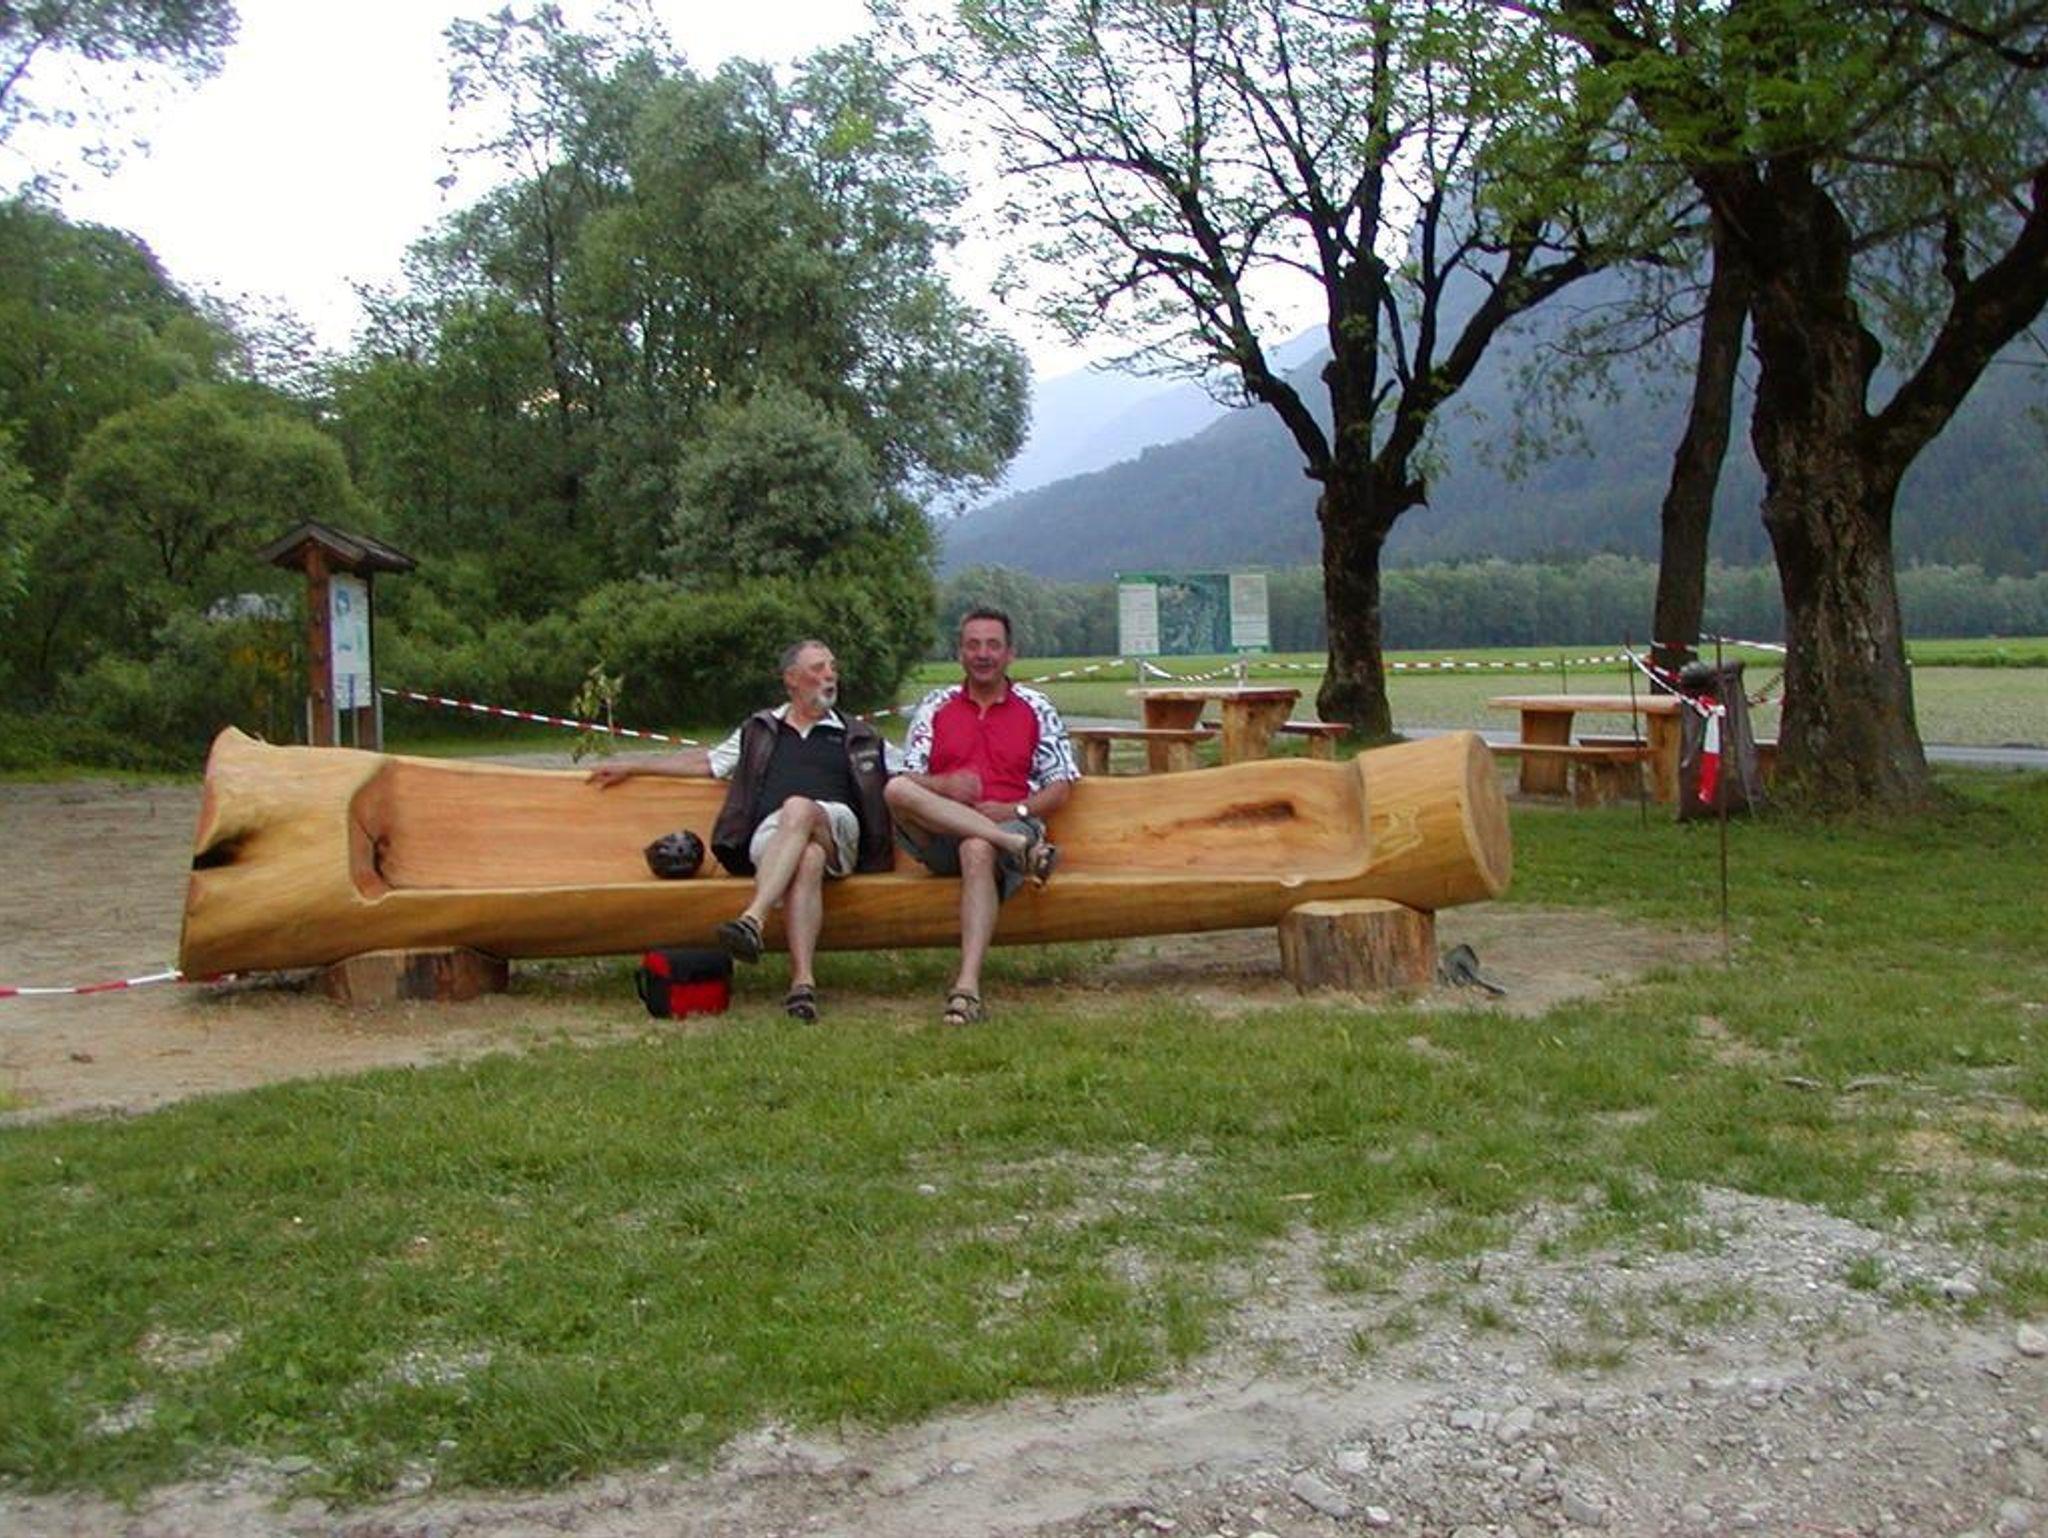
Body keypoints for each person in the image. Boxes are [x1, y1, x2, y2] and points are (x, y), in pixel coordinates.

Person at [588, 639, 890, 1021]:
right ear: (791, 679)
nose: (830, 675)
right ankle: (802, 985)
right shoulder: (760, 729)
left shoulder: (857, 734)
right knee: (807, 858)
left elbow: (907, 772)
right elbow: (708, 763)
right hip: (774, 836)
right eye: (818, 668)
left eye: (832, 667)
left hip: (838, 830)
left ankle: (753, 918)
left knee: (799, 808)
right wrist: (635, 766)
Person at [885, 606, 1080, 1026]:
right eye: (973, 645)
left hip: (1009, 822)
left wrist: (1015, 810)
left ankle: (967, 988)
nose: (983, 654)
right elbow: (907, 776)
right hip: (942, 834)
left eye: (993, 645)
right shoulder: (936, 706)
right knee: (895, 790)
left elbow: (1061, 786)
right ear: (960, 653)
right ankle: (1019, 848)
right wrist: (945, 787)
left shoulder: (1036, 707)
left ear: (1010, 653)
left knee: (977, 847)